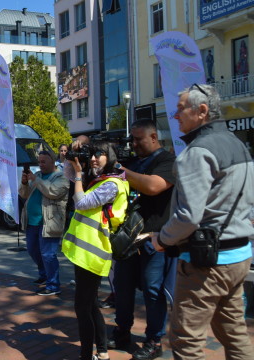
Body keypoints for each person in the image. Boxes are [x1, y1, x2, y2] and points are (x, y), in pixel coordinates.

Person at [152, 83, 254, 359]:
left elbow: (189, 216)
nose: (175, 115)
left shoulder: (197, 152)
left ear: (203, 111)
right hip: (239, 256)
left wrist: (162, 239)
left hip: (206, 263)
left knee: (186, 342)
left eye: (181, 109)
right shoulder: (238, 145)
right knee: (234, 334)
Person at [108, 120, 177, 360]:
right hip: (128, 240)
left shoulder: (167, 162)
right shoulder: (132, 162)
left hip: (154, 240)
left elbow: (153, 186)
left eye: (139, 139)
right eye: (132, 140)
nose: (134, 144)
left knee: (153, 292)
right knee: (123, 289)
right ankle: (122, 331)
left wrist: (122, 172)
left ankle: (154, 341)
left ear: (154, 137)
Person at [62, 142, 129, 360]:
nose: (94, 158)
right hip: (84, 252)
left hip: (93, 253)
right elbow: (69, 173)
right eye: (92, 154)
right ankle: (101, 351)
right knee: (90, 305)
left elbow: (82, 202)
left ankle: (86, 355)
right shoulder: (101, 180)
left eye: (99, 154)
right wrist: (73, 157)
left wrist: (81, 174)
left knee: (82, 308)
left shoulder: (112, 184)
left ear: (110, 156)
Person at [19, 151, 69, 295]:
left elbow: (52, 192)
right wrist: (24, 183)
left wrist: (35, 180)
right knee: (33, 250)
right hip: (32, 222)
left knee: (48, 254)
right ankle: (44, 275)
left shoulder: (61, 177)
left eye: (44, 162)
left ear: (53, 162)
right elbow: (24, 194)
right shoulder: (38, 176)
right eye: (39, 162)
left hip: (49, 222)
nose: (40, 165)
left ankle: (53, 285)